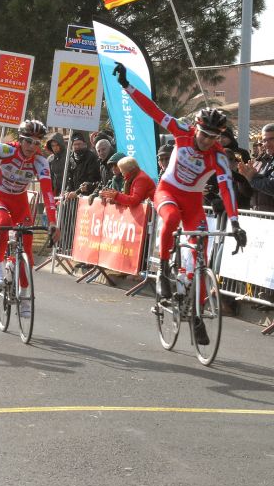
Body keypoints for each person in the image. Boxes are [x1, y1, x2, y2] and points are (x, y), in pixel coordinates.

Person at [114, 62, 245, 346]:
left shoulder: (219, 156)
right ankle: (162, 270)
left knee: (201, 258)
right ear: (196, 128)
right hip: (168, 192)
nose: (207, 140)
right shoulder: (181, 131)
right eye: (204, 134)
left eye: (213, 137)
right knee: (170, 218)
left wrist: (235, 223)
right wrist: (127, 85)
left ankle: (195, 314)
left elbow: (226, 188)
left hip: (194, 202)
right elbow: (152, 110)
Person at [0, 111, 59, 316]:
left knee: (28, 253)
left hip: (20, 202)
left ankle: (25, 296)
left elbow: (48, 192)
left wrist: (53, 222)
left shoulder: (41, 162)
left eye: (36, 142)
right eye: (28, 142)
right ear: (21, 140)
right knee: (3, 222)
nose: (32, 147)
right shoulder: (6, 150)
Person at [238, 123, 274, 211]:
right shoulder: (259, 161)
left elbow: (272, 187)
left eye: (271, 139)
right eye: (264, 140)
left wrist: (252, 178)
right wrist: (243, 178)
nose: (267, 144)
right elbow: (248, 193)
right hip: (258, 216)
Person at [63, 132, 101, 199]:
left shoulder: (91, 157)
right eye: (75, 144)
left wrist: (77, 192)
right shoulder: (70, 158)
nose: (77, 146)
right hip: (73, 197)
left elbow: (92, 179)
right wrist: (67, 191)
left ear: (85, 144)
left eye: (79, 144)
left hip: (87, 196)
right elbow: (69, 179)